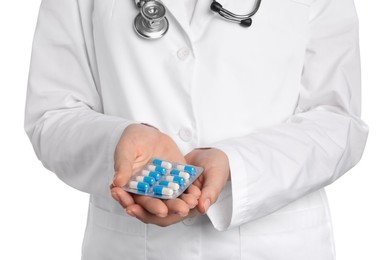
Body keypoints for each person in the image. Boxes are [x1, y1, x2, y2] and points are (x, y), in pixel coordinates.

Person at [25, 0, 368, 259]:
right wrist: (119, 143)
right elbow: (53, 113)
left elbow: (338, 122)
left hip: (276, 245)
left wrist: (237, 164)